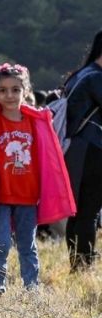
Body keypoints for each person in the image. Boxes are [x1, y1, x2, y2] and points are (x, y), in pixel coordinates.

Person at [0, 63, 75, 294]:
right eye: (3, 90)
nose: (9, 95)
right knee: (2, 243)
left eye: (15, 89)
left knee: (27, 245)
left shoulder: (37, 123)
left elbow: (50, 160)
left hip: (28, 196)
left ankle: (31, 288)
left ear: (25, 91)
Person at [61, 31, 102, 272]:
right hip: (93, 150)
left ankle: (78, 264)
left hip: (76, 150)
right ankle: (84, 266)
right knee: (88, 211)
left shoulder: (81, 75)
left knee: (78, 212)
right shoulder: (95, 78)